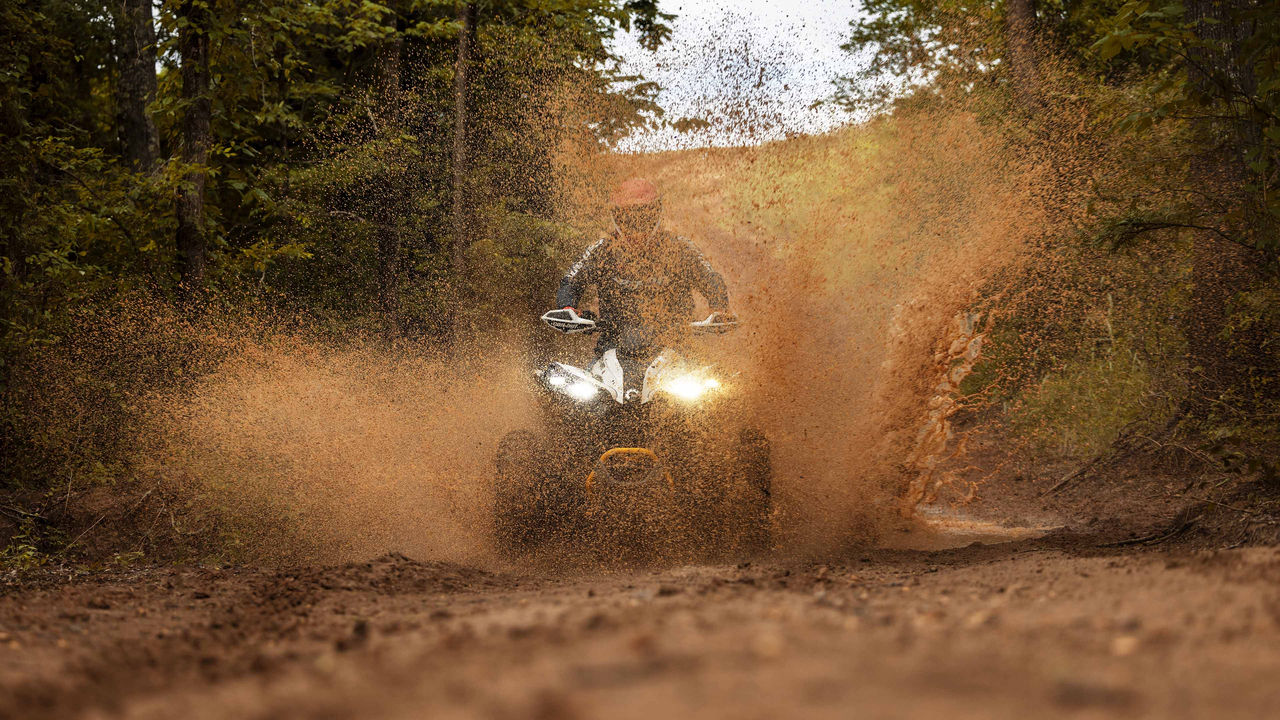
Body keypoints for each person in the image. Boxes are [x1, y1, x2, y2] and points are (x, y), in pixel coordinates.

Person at [553, 178, 732, 349]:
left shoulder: (680, 248)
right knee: (576, 380)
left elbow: (709, 278)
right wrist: (567, 308)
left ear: (656, 214)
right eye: (628, 218)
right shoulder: (602, 250)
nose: (637, 225)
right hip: (613, 348)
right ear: (616, 217)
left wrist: (720, 308)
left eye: (644, 217)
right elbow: (571, 280)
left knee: (715, 379)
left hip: (678, 348)